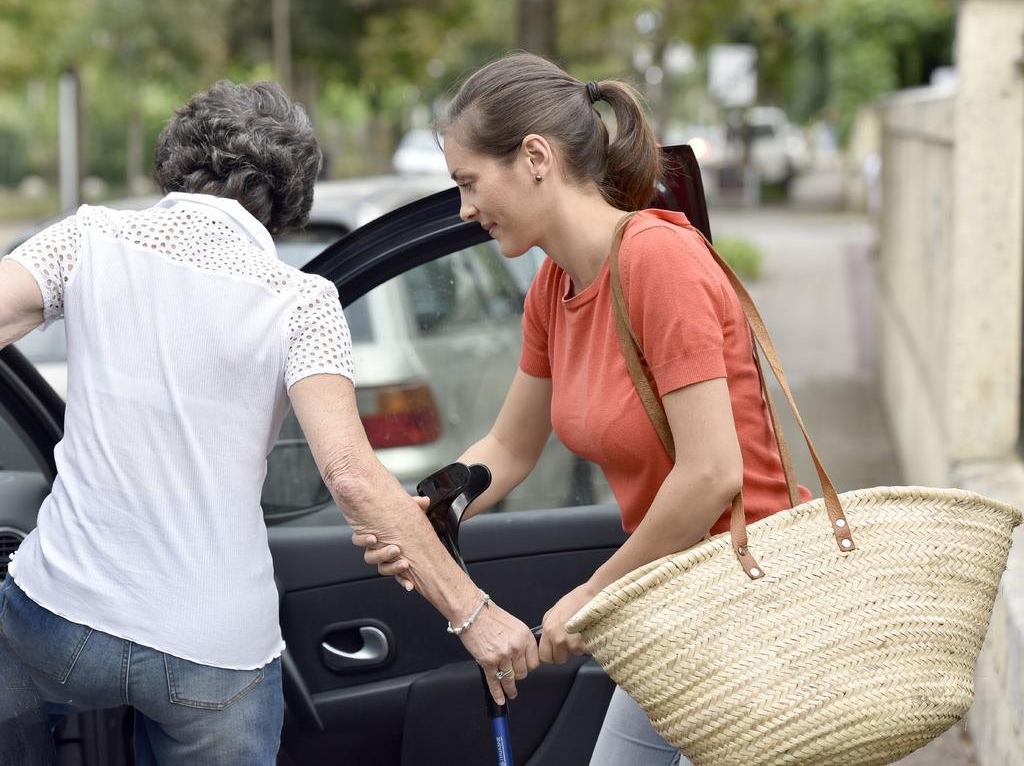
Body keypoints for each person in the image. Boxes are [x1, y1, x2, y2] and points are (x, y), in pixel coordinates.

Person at [0, 80, 538, 766]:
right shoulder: (302, 304)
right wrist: (473, 614)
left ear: (177, 156)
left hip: (58, 621)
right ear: (291, 196)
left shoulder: (88, 239)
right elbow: (350, 478)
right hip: (212, 651)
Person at [355, 52, 810, 765]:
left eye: (470, 183)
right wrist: (433, 506)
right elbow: (509, 447)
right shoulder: (554, 289)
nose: (466, 209)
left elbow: (713, 473)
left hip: (749, 606)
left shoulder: (660, 261)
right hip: (668, 606)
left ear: (535, 157)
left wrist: (594, 595)